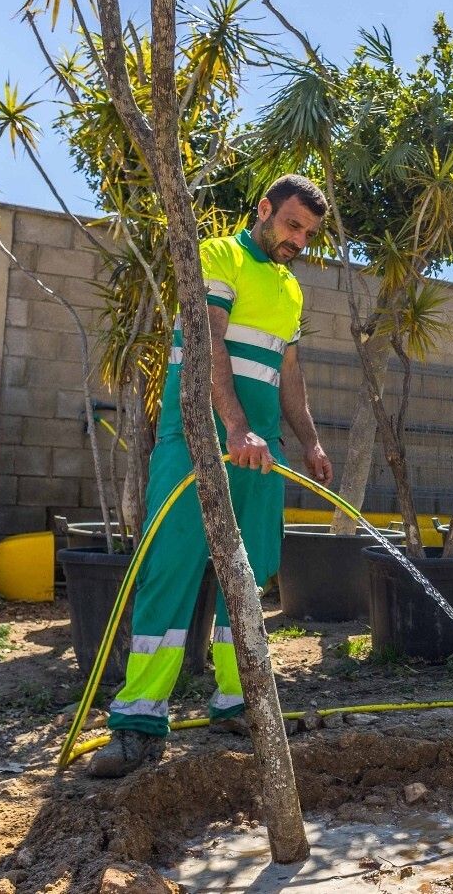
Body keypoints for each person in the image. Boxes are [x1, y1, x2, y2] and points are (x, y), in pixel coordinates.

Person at [88, 174, 334, 778]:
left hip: (260, 454)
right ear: (265, 209)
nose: (297, 239)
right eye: (291, 224)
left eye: (307, 233)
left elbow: (289, 372)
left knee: (247, 580)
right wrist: (233, 427)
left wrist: (311, 441)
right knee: (170, 569)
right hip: (196, 444)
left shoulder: (290, 289)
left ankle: (237, 704)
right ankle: (138, 722)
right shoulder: (220, 255)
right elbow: (210, 344)